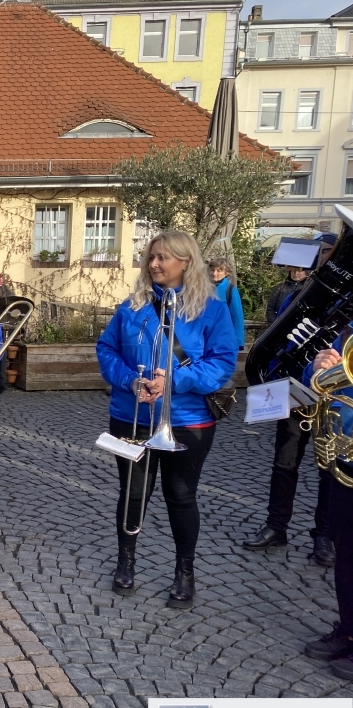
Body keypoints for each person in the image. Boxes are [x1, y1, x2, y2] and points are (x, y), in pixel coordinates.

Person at [96, 231, 237, 608]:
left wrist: (174, 379)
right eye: (152, 257)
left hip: (187, 419)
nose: (154, 263)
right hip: (133, 415)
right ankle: (126, 562)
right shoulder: (133, 306)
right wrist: (131, 381)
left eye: (163, 257)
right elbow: (107, 349)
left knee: (181, 495)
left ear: (186, 262)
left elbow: (222, 363)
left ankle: (184, 572)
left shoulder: (211, 308)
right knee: (133, 493)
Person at [242, 231, 339, 565]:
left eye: (329, 250)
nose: (324, 256)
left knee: (330, 468)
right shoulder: (299, 295)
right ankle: (276, 525)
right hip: (296, 387)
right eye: (321, 251)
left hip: (334, 394)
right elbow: (278, 338)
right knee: (285, 461)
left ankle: (325, 536)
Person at [303, 332, 353, 678]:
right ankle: (348, 629)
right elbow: (319, 379)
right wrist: (317, 366)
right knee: (346, 550)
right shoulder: (350, 329)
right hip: (347, 457)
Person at [208, 258, 245, 350]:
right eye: (212, 270)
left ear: (226, 273)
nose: (214, 273)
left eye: (219, 270)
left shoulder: (230, 290)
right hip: (204, 337)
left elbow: (237, 317)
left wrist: (237, 341)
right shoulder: (202, 288)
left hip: (223, 338)